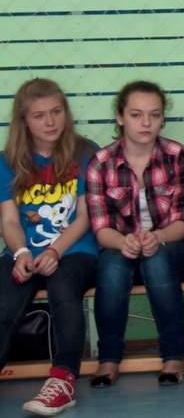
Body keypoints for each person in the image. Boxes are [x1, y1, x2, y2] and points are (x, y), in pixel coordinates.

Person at [0, 78, 97, 416]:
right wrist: (21, 253)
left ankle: (63, 379)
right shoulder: (8, 161)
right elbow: (9, 220)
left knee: (63, 290)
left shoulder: (85, 152)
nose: (50, 121)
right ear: (24, 121)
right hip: (25, 252)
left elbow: (85, 217)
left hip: (75, 250)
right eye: (39, 115)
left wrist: (55, 251)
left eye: (56, 112)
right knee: (5, 303)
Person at [87, 81, 184, 388]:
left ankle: (173, 355)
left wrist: (158, 237)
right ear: (120, 117)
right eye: (136, 115)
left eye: (154, 115)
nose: (146, 123)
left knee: (157, 262)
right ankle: (109, 359)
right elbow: (101, 227)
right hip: (119, 243)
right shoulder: (101, 163)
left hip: (169, 241)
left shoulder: (178, 156)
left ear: (162, 118)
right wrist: (123, 242)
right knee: (111, 268)